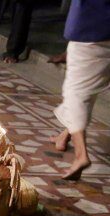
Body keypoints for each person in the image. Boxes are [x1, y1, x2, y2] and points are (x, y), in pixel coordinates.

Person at [54, 0, 110, 180]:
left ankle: (81, 155)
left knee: (75, 93)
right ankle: (65, 135)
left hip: (91, 30)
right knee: (88, 87)